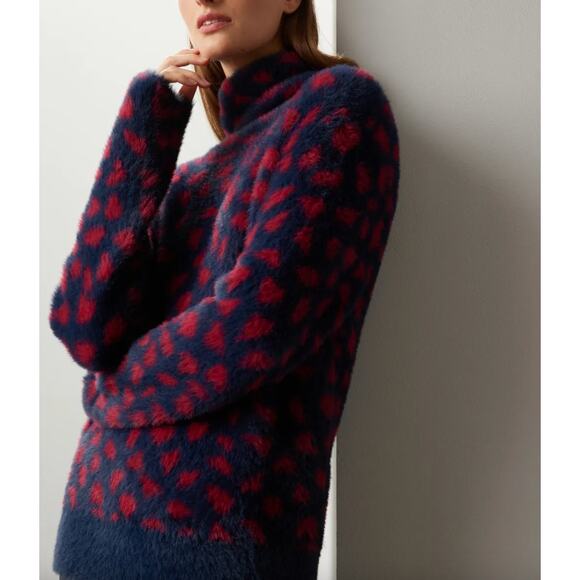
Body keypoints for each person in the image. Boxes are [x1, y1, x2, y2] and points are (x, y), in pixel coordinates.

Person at [50, 0, 401, 578]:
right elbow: (85, 325)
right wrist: (144, 131)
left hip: (223, 543)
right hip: (93, 526)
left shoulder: (340, 107)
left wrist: (112, 391)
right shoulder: (194, 179)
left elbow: (258, 325)